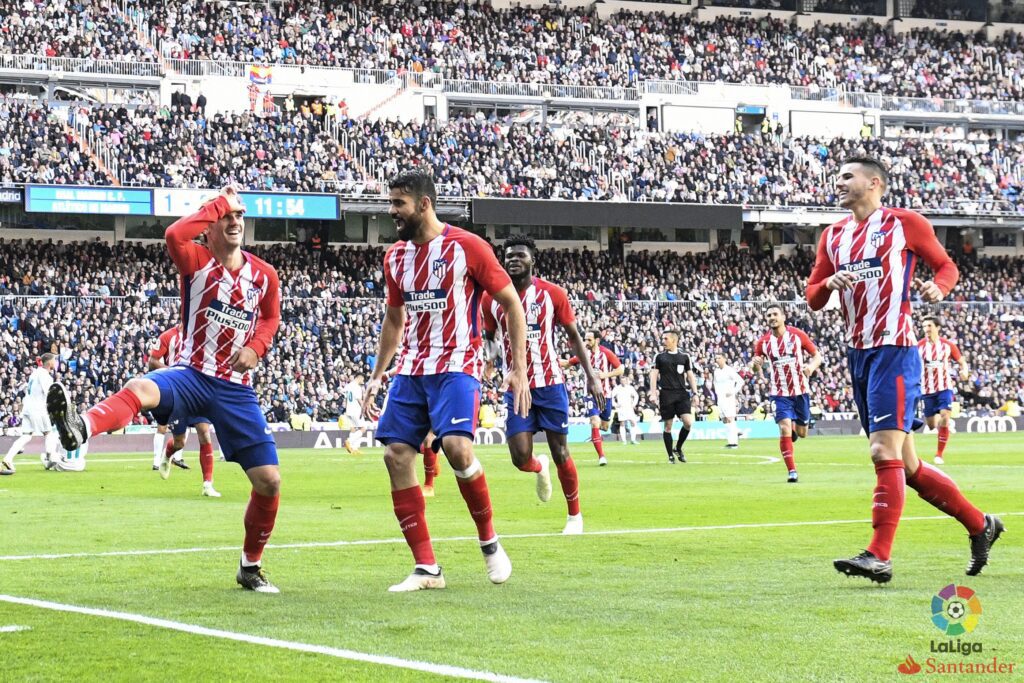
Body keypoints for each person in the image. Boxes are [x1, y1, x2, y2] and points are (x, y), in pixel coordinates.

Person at [47, 186, 284, 592]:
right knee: (140, 387)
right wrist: (216, 205)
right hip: (191, 374)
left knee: (270, 482)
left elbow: (270, 319)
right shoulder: (196, 260)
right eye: (226, 215)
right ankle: (79, 428)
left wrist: (256, 348)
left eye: (239, 214)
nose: (234, 221)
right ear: (208, 226)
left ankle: (250, 566)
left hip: (235, 389)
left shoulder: (264, 274)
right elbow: (175, 234)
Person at [806, 155, 1003, 583]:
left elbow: (946, 265)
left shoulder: (905, 223)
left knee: (882, 451)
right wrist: (827, 285)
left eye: (847, 176)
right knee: (909, 467)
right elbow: (812, 297)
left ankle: (879, 554)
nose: (838, 182)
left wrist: (941, 285)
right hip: (857, 353)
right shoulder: (833, 236)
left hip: (895, 349)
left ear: (874, 182)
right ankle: (981, 525)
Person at [362, 170, 531, 593]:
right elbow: (395, 319)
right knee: (397, 457)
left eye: (398, 203)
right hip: (412, 370)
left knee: (457, 447)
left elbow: (511, 303)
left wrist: (519, 368)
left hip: (458, 364)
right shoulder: (395, 258)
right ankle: (427, 568)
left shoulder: (467, 247)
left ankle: (490, 542)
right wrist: (377, 374)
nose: (391, 211)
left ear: (423, 204)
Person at [481, 235, 603, 534]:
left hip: (550, 385)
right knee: (519, 456)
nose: (514, 259)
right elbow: (489, 336)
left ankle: (575, 516)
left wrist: (591, 376)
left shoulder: (552, 294)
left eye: (520, 255)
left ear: (532, 260)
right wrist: (490, 359)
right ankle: (538, 467)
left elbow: (574, 337)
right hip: (516, 388)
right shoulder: (491, 298)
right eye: (509, 255)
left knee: (561, 451)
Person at [751, 304, 822, 483]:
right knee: (783, 427)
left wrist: (811, 367)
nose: (772, 317)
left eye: (775, 314)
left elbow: (817, 356)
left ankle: (794, 430)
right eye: (768, 315)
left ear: (783, 317)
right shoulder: (763, 343)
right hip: (779, 392)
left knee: (802, 432)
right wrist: (756, 363)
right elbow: (755, 366)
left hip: (800, 391)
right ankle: (792, 471)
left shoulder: (798, 335)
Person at [149, 324, 221, 497]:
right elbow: (152, 361)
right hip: (178, 392)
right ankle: (167, 455)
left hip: (198, 390)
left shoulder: (203, 336)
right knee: (180, 442)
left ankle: (207, 484)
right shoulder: (168, 336)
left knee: (205, 433)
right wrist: (173, 372)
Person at [561, 332, 623, 465]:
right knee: (595, 422)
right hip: (589, 395)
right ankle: (601, 456)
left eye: (589, 340)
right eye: (585, 340)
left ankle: (596, 436)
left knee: (604, 426)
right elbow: (567, 364)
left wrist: (605, 375)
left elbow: (620, 369)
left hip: (605, 395)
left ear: (597, 340)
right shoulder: (583, 354)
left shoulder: (606, 353)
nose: (586, 342)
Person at [917, 316, 969, 465]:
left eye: (929, 326)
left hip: (944, 387)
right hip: (927, 390)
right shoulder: (919, 347)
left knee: (945, 416)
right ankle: (942, 425)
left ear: (937, 327)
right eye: (924, 326)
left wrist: (964, 371)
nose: (926, 329)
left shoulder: (948, 345)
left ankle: (939, 454)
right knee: (932, 425)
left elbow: (962, 362)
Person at [1, 354, 61, 474]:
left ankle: (8, 458)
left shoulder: (35, 372)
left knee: (26, 435)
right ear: (49, 363)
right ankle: (51, 457)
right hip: (38, 408)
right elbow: (48, 393)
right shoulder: (45, 376)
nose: (56, 363)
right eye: (55, 361)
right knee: (49, 432)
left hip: (28, 407)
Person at [648, 331, 698, 463]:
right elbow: (653, 375)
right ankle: (670, 456)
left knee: (688, 422)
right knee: (668, 426)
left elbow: (690, 376)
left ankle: (678, 448)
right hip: (667, 393)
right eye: (663, 338)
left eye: (666, 338)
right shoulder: (660, 357)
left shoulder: (685, 356)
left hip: (682, 393)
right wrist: (653, 393)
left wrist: (695, 393)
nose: (663, 341)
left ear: (674, 340)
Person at [712, 353, 744, 449]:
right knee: (725, 420)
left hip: (728, 398)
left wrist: (732, 392)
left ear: (724, 359)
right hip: (720, 398)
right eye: (716, 358)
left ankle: (734, 443)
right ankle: (735, 433)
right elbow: (715, 383)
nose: (717, 359)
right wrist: (717, 393)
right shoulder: (716, 371)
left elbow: (740, 381)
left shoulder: (729, 370)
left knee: (730, 418)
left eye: (719, 357)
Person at [610, 375, 641, 446]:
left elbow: (636, 396)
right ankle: (624, 441)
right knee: (622, 423)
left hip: (629, 407)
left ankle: (633, 440)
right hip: (621, 408)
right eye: (622, 380)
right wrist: (615, 404)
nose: (623, 382)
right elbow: (611, 397)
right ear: (620, 381)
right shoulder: (617, 388)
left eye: (624, 380)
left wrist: (634, 404)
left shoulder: (630, 388)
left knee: (633, 422)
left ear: (626, 380)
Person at [342, 373, 368, 455]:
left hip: (349, 410)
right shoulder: (357, 387)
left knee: (353, 429)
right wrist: (364, 409)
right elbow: (359, 399)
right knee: (363, 428)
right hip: (356, 410)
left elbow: (345, 398)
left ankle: (354, 449)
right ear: (359, 377)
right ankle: (349, 441)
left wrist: (346, 408)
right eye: (363, 379)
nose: (363, 381)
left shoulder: (348, 385)